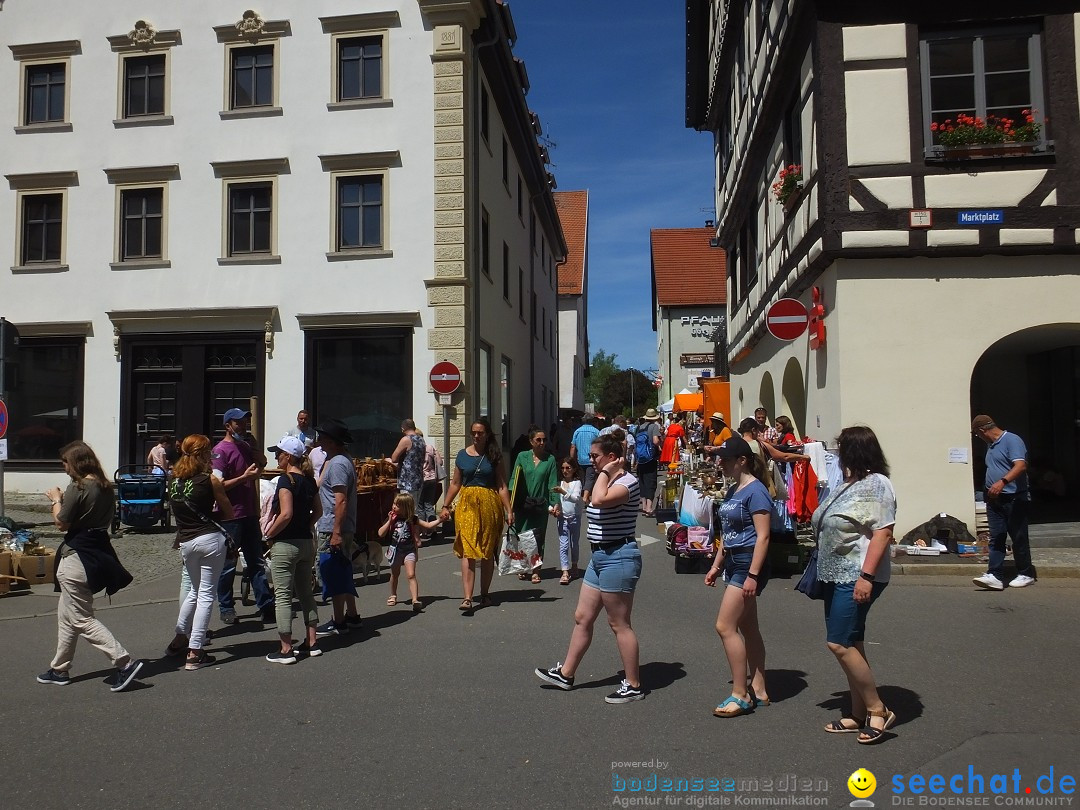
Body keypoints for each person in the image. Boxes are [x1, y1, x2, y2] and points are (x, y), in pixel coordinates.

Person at [535, 429, 645, 704]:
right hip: (599, 558)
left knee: (619, 624)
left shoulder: (627, 482)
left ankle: (633, 684)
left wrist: (606, 472)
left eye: (595, 456)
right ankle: (567, 674)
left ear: (612, 457)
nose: (590, 460)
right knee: (582, 616)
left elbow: (598, 500)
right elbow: (588, 502)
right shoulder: (601, 479)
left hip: (619, 556)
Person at [38, 441, 143, 692]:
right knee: (66, 615)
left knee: (82, 619)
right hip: (95, 553)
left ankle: (124, 662)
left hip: (76, 558)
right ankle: (59, 669)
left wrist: (55, 500)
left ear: (76, 462)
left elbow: (61, 523)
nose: (64, 468)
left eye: (65, 462)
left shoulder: (79, 486)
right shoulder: (106, 486)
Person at [815, 425, 897, 745]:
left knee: (839, 643)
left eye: (841, 449)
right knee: (853, 641)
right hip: (834, 574)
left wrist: (866, 576)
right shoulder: (847, 484)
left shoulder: (877, 484)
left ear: (855, 451)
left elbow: (883, 532)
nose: (836, 455)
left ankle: (878, 709)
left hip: (856, 575)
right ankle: (857, 712)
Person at [704, 436, 773, 717]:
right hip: (734, 560)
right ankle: (760, 688)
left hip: (748, 563)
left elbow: (764, 536)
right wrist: (717, 564)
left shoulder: (756, 491)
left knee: (725, 626)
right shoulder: (734, 490)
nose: (720, 464)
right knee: (748, 628)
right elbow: (729, 535)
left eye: (726, 460)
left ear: (742, 461)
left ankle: (740, 694)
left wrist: (753, 575)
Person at [165, 434, 233, 670]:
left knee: (193, 591)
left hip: (186, 540)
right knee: (205, 594)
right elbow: (228, 512)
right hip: (209, 538)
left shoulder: (173, 480)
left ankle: (179, 639)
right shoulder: (209, 479)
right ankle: (195, 651)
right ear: (204, 454)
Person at [439, 418, 513, 611]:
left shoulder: (494, 456)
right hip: (467, 505)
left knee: (487, 550)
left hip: (489, 504)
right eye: (474, 432)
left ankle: (485, 593)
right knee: (468, 549)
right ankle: (467, 597)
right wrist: (445, 505)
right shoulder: (462, 455)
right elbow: (455, 483)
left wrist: (509, 510)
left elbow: (502, 485)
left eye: (480, 432)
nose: (477, 436)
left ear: (487, 434)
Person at [262, 435, 322, 663]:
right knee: (306, 592)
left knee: (283, 597)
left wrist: (269, 533)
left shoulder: (286, 480)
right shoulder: (308, 480)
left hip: (286, 543)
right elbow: (319, 511)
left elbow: (285, 514)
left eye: (278, 453)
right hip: (306, 543)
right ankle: (312, 642)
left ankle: (286, 649)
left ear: (288, 456)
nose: (276, 457)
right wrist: (305, 526)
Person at [213, 407, 274, 625]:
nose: (244, 425)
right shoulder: (220, 451)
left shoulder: (246, 446)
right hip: (230, 516)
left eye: (246, 421)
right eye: (239, 422)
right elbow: (217, 485)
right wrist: (243, 478)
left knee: (256, 561)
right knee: (228, 565)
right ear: (228, 425)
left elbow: (262, 462)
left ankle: (266, 605)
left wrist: (256, 450)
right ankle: (227, 607)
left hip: (249, 513)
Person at [971, 415, 1034, 590]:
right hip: (994, 499)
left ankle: (1025, 573)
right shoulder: (990, 445)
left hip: (1014, 497)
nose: (978, 438)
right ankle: (995, 575)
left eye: (977, 434)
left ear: (982, 430)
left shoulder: (1012, 440)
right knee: (997, 536)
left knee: (1018, 536)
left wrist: (1002, 482)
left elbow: (1020, 466)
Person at [313, 418, 363, 637]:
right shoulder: (338, 461)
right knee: (343, 571)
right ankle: (351, 615)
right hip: (338, 525)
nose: (319, 440)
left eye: (323, 437)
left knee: (332, 572)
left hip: (334, 526)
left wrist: (335, 532)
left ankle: (339, 620)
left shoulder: (338, 464)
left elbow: (340, 500)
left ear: (333, 441)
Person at [511, 426, 560, 584]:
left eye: (544, 440)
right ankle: (523, 566)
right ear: (531, 441)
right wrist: (510, 504)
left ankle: (535, 570)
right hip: (523, 503)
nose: (542, 443)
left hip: (540, 504)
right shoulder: (522, 456)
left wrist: (555, 503)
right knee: (523, 535)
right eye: (538, 440)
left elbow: (552, 483)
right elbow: (514, 479)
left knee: (538, 538)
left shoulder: (550, 459)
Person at [378, 493, 440, 612]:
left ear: (406, 507)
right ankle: (393, 595)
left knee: (411, 574)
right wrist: (389, 521)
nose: (394, 506)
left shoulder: (413, 519)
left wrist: (440, 520)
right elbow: (380, 533)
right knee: (395, 574)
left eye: (398, 505)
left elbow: (427, 525)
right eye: (394, 503)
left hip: (409, 550)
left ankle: (415, 599)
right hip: (395, 550)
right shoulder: (393, 518)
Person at [553, 456, 584, 584]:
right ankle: (565, 571)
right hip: (562, 518)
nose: (565, 471)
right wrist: (554, 508)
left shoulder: (576, 483)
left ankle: (574, 565)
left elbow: (576, 498)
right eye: (563, 468)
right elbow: (555, 501)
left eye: (568, 468)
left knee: (574, 543)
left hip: (575, 517)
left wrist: (563, 491)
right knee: (563, 544)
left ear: (574, 469)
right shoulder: (559, 483)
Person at [387, 418, 426, 501]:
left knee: (406, 509)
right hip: (418, 480)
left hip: (407, 481)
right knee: (414, 509)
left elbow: (394, 458)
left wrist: (388, 461)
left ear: (403, 428)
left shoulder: (406, 439)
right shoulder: (421, 440)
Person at [635, 408, 663, 516]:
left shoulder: (639, 427)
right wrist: (660, 445)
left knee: (642, 482)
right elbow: (655, 441)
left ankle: (644, 506)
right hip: (650, 458)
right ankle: (649, 508)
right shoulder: (654, 426)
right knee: (650, 482)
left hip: (640, 459)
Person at [416, 430, 444, 537]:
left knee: (419, 505)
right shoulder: (430, 447)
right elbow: (440, 462)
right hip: (432, 479)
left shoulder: (415, 449)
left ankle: (423, 531)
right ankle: (433, 529)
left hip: (420, 479)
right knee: (429, 505)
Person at [571, 416, 600, 501]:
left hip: (580, 459)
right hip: (591, 459)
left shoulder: (577, 431)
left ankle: (585, 496)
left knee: (583, 478)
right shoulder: (596, 431)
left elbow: (573, 446)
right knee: (590, 478)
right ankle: (585, 497)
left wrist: (572, 459)